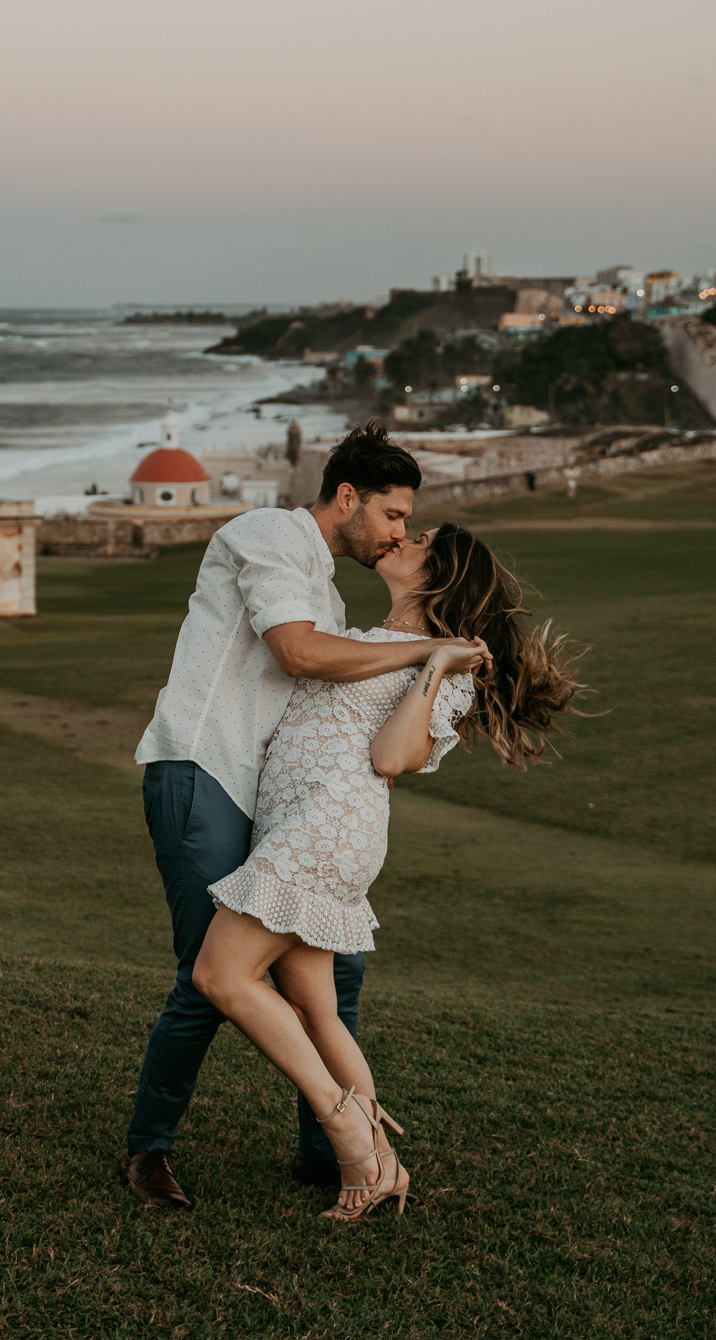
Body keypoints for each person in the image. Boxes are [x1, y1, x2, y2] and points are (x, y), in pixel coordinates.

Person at [122, 422, 491, 1210]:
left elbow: (374, 726)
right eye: (393, 515)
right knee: (209, 977)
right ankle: (149, 1151)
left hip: (281, 806)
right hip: (206, 767)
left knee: (334, 981)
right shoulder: (268, 535)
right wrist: (430, 653)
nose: (398, 532)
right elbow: (298, 653)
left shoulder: (328, 593)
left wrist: (431, 663)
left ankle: (331, 1153)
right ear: (348, 497)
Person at [193, 521, 585, 1223]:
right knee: (316, 1005)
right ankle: (382, 1166)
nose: (400, 537)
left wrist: (436, 665)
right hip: (296, 822)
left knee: (220, 976)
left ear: (438, 571)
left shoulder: (454, 664)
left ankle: (347, 1131)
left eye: (420, 538)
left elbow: (392, 758)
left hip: (328, 830)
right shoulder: (369, 637)